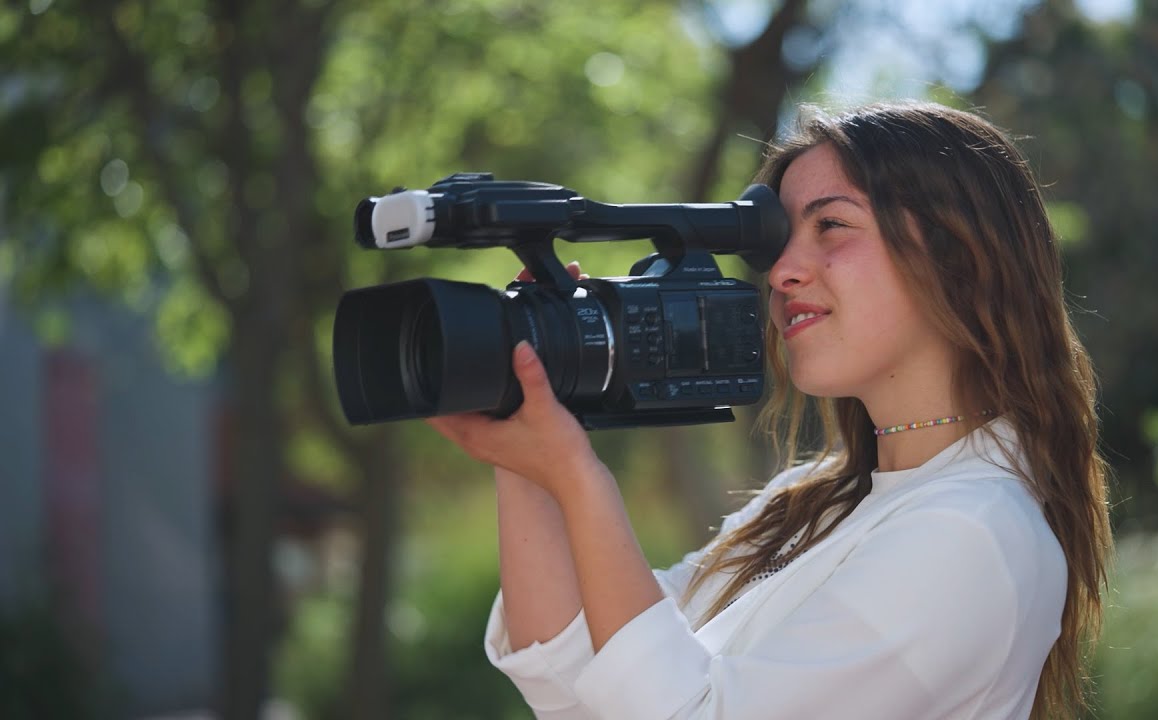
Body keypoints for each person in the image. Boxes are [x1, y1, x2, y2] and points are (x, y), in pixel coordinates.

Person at [425, 101, 1113, 720]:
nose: (782, 270)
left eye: (832, 227)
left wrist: (580, 479)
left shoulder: (975, 534)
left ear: (959, 255)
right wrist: (521, 435)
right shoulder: (806, 504)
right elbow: (574, 683)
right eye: (780, 239)